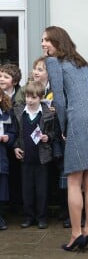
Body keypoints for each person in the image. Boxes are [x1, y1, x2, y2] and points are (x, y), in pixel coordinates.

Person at [43, 26, 88, 251]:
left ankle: (75, 234)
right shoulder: (82, 63)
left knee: (73, 180)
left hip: (78, 121)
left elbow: (59, 100)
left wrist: (63, 127)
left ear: (57, 42)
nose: (43, 44)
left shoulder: (53, 63)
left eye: (47, 40)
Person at [14, 81, 55, 230]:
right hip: (26, 157)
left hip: (42, 157)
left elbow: (53, 133)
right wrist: (16, 147)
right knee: (27, 189)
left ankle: (42, 217)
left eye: (34, 98)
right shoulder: (19, 112)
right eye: (27, 97)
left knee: (42, 189)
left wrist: (47, 137)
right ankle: (28, 216)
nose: (30, 100)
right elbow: (16, 133)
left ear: (41, 98)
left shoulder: (47, 113)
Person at [0, 63, 22, 214]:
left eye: (5, 77)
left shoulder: (20, 96)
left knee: (15, 175)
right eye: (0, 75)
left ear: (14, 82)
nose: (1, 79)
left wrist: (13, 141)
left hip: (15, 141)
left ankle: (16, 205)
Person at [0, 87, 17, 230]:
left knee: (1, 189)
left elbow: (13, 132)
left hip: (1, 157)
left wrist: (8, 138)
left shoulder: (6, 114)